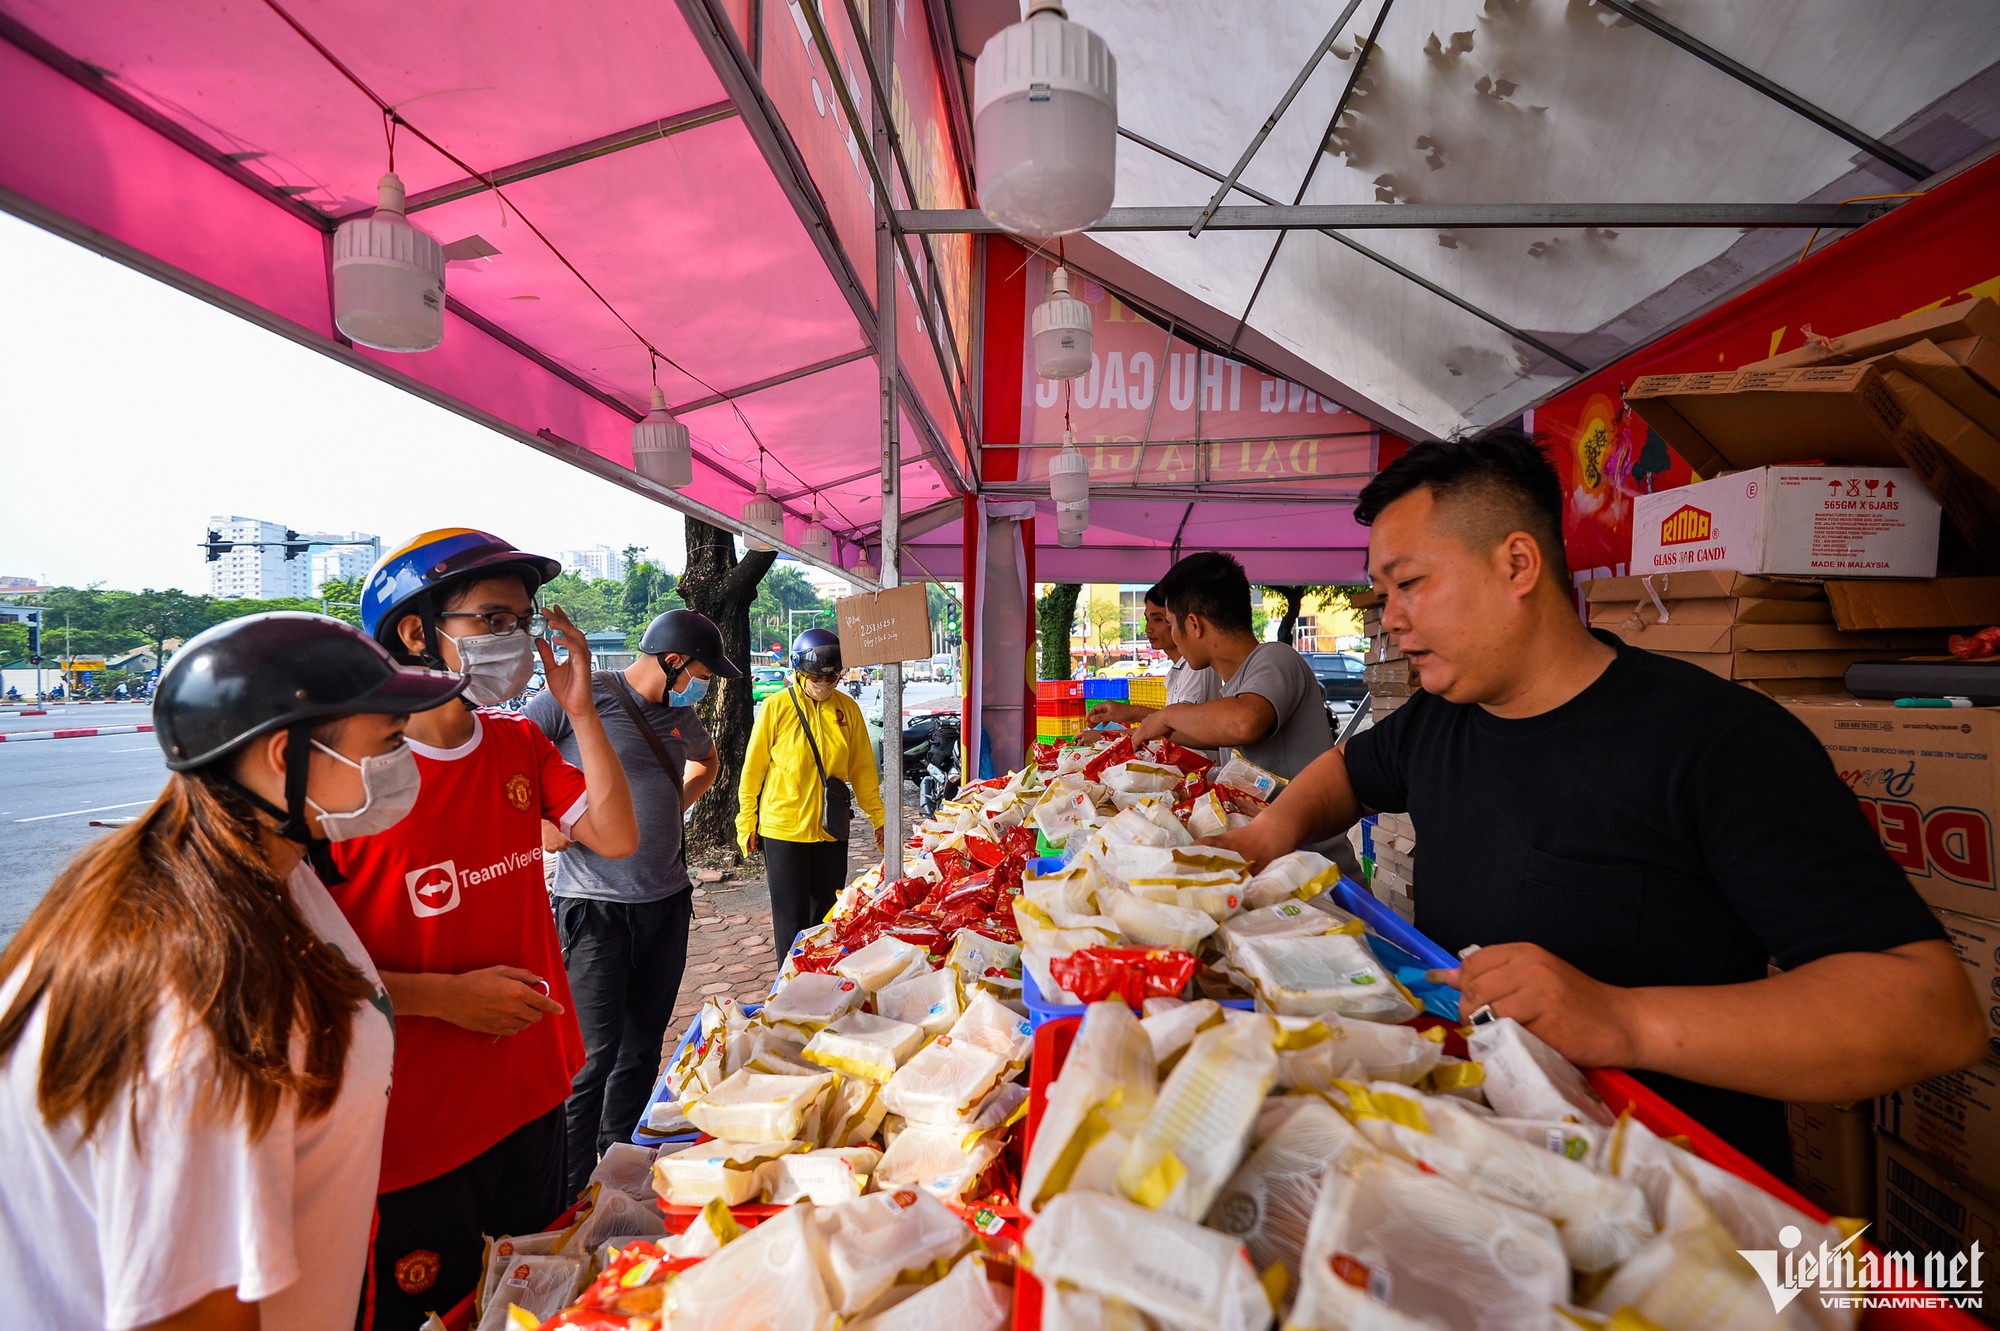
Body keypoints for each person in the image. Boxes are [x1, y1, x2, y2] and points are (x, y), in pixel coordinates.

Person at [1208, 428, 1985, 1176]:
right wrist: (1268, 832)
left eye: (1410, 584)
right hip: (1480, 1144)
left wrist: (1624, 1019)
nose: (1393, 618)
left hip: (1661, 1189)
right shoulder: (1441, 718)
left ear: (1518, 564)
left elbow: (1928, 1011)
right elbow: (1349, 768)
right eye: (1382, 593)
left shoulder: (1716, 741)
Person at [0, 612, 464, 1330]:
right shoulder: (202, 998)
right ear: (286, 755)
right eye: (390, 741)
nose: (405, 765)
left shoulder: (269, 874)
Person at [332, 529, 639, 1329]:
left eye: (523, 620)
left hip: (533, 1092)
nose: (518, 639)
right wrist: (439, 996)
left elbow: (614, 836)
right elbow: (285, 967)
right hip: (414, 1133)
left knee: (534, 1297)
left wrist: (582, 709)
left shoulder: (518, 741)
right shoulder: (347, 783)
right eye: (494, 619)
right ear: (415, 631)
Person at [527, 608, 733, 1195]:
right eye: (699, 670)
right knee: (592, 1058)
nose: (704, 681)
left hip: (667, 903)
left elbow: (707, 762)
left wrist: (673, 805)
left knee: (642, 1048)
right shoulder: (580, 697)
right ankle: (565, 1194)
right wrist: (548, 828)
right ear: (673, 662)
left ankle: (615, 1174)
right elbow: (511, 764)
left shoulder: (682, 714)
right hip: (595, 907)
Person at [739, 627, 886, 961]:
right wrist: (745, 820)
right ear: (798, 671)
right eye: (816, 677)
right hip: (782, 829)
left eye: (832, 678)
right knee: (790, 919)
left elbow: (863, 770)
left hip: (830, 829)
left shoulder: (847, 710)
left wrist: (879, 818)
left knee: (824, 916)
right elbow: (753, 770)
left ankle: (817, 982)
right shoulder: (776, 708)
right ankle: (787, 987)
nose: (824, 684)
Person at [1131, 551, 1333, 783]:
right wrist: (1154, 727)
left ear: (1194, 625)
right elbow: (1211, 732)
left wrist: (1167, 716)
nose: (1174, 636)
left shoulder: (1275, 657)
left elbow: (1243, 722)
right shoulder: (1237, 684)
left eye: (1171, 623)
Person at [1086, 581, 1218, 730]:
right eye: (1147, 620)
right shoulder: (1179, 669)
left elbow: (1184, 727)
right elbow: (1176, 726)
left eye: (1159, 620)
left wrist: (1132, 715)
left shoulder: (1197, 667)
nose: (1148, 629)